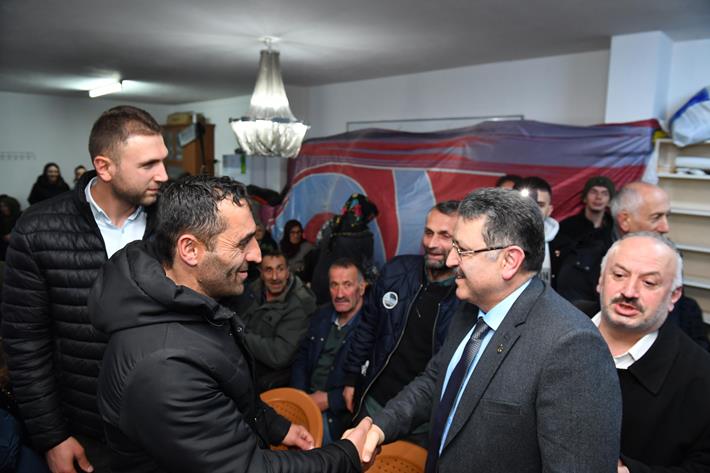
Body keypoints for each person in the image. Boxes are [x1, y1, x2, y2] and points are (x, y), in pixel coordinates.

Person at [89, 175, 372, 473]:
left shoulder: (191, 302)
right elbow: (247, 468)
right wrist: (346, 457)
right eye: (242, 243)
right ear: (190, 250)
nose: (256, 254)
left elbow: (228, 390)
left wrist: (277, 427)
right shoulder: (165, 369)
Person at [358, 187, 621, 472]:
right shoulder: (470, 305)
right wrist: (380, 428)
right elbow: (437, 380)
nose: (451, 261)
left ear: (509, 261)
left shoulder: (572, 346)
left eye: (463, 250)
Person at [2, 105, 169, 473]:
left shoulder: (173, 220)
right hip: (87, 431)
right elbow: (25, 343)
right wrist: (52, 436)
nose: (163, 175)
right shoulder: (38, 229)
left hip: (169, 424)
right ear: (104, 167)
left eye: (163, 160)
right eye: (148, 165)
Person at [342, 200, 462, 445]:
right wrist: (351, 379)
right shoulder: (397, 270)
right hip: (373, 404)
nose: (432, 243)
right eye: (428, 232)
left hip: (421, 421)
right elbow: (368, 328)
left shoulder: (466, 298)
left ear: (462, 242)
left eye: (444, 236)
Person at [594, 232, 710, 472]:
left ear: (674, 296)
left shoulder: (700, 377)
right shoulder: (553, 329)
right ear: (601, 280)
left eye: (649, 283)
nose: (629, 291)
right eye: (619, 275)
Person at [609, 181, 708, 350]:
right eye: (656, 217)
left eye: (650, 282)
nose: (665, 227)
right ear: (625, 220)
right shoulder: (586, 261)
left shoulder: (670, 257)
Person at [292, 258, 366, 443]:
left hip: (336, 416)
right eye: (334, 285)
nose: (339, 294)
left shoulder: (369, 327)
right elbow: (301, 357)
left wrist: (330, 400)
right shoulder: (322, 314)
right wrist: (301, 397)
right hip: (305, 398)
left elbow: (371, 381)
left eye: (347, 285)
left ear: (361, 288)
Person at [227, 248, 316, 392]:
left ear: (288, 271)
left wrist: (239, 333)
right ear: (261, 273)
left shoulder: (299, 303)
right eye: (269, 270)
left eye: (280, 269)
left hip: (267, 375)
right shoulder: (254, 288)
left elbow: (279, 355)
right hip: (241, 358)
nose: (275, 277)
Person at [553, 176, 615, 304]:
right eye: (594, 192)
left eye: (604, 193)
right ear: (585, 197)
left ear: (610, 200)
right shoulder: (567, 226)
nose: (598, 197)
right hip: (570, 294)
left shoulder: (614, 229)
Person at [514, 176, 558, 285]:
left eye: (540, 205)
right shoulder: (496, 239)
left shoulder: (565, 244)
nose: (533, 209)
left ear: (549, 210)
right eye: (527, 202)